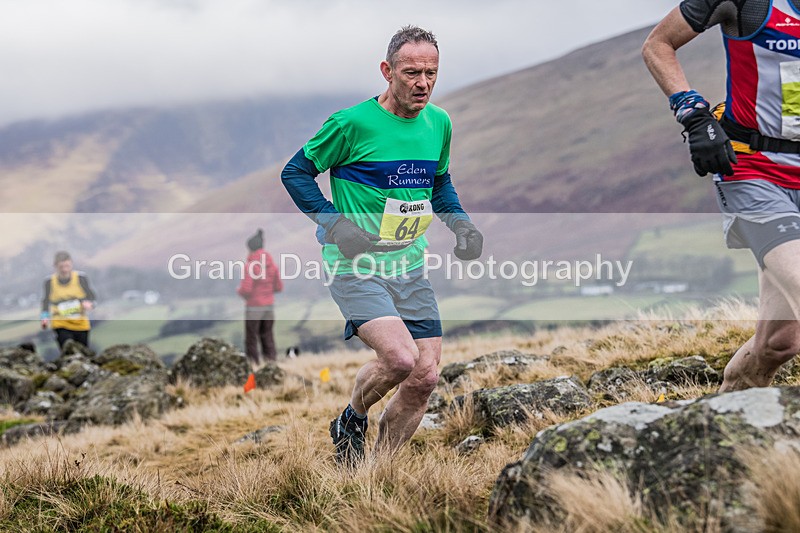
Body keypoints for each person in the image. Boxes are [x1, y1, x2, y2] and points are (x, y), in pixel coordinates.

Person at [281, 25, 483, 465]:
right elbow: (295, 173)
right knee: (400, 357)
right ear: (387, 71)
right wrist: (336, 225)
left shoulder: (439, 123)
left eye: (431, 73)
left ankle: (377, 473)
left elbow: (439, 184)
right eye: (411, 72)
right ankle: (351, 417)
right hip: (355, 264)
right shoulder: (350, 124)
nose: (422, 83)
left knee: (426, 375)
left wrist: (461, 226)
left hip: (409, 266)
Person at [643, 1, 800, 391]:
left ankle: (720, 426)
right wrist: (693, 114)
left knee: (780, 343)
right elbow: (658, 45)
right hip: (753, 171)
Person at [237, 228, 283, 365]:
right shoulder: (272, 265)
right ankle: (271, 365)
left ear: (250, 248)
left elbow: (246, 289)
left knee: (251, 338)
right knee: (267, 336)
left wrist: (239, 292)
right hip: (269, 307)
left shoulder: (251, 265)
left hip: (254, 307)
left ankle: (253, 366)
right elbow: (279, 287)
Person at [40, 251, 96, 349]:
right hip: (60, 322)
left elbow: (92, 297)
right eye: (61, 267)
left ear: (71, 264)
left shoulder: (81, 278)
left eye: (67, 266)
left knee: (83, 351)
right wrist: (44, 318)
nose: (64, 270)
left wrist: (89, 304)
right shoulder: (49, 282)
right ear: (55, 267)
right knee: (68, 350)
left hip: (80, 322)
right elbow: (45, 301)